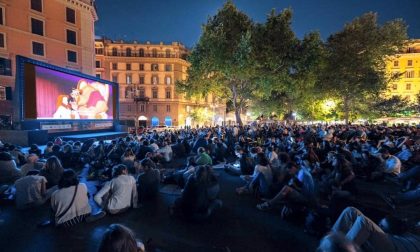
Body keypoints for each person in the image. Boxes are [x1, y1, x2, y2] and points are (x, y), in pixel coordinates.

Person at [329, 206, 420, 251]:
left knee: (364, 222)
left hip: (396, 248)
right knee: (350, 211)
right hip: (396, 237)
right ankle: (329, 243)